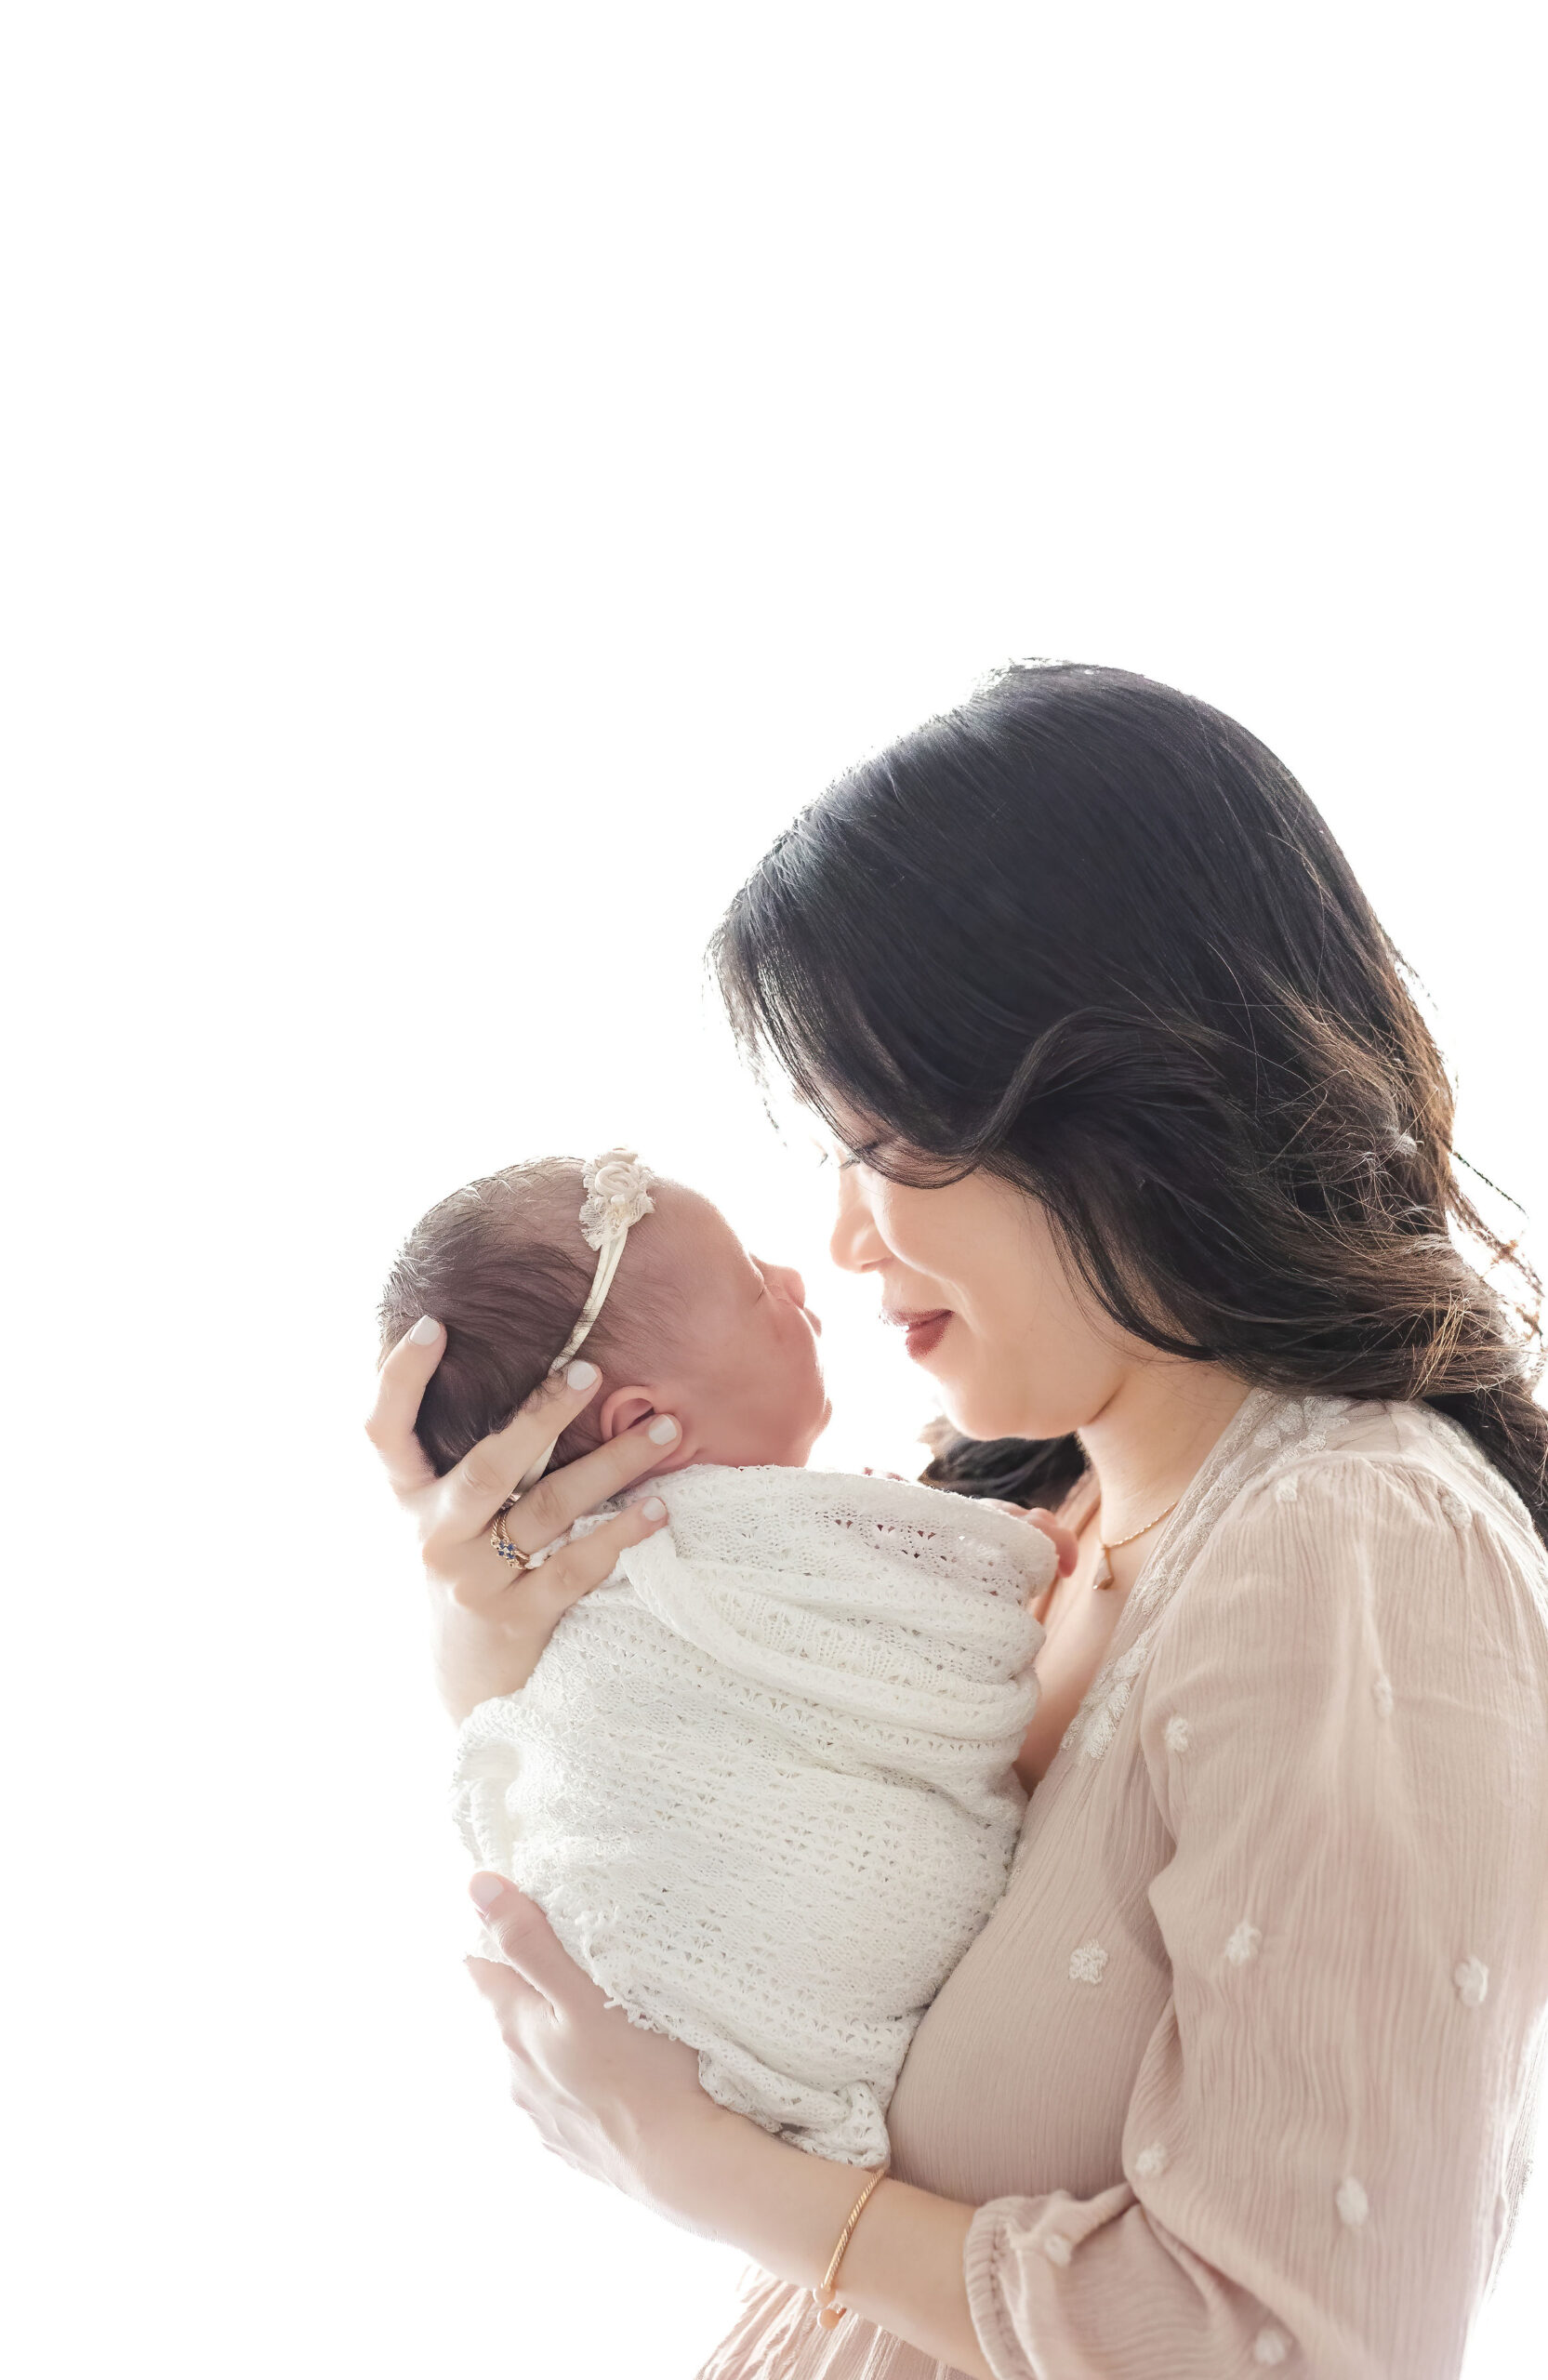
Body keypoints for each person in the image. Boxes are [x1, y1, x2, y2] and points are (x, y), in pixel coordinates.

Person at [366, 663, 1548, 2378]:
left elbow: (1311, 2340)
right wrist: (505, 1647)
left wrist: (710, 2174)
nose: (844, 1244)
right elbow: (707, 1914)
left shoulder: (1352, 1548)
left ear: (1128, 1090)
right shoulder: (1015, 1517)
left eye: (889, 1140)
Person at [376, 1147, 1054, 2168]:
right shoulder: (699, 1558)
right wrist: (475, 1660)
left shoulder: (745, 1542)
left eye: (890, 1151)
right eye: (751, 1285)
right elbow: (968, 1618)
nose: (804, 1271)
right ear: (644, 1425)